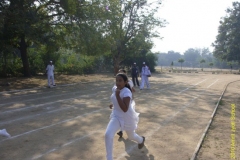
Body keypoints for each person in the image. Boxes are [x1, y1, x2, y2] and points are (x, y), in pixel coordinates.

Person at [105, 73, 145, 160]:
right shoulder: (115, 88)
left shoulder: (127, 92)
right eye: (116, 80)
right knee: (108, 134)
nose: (118, 82)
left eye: (120, 81)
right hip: (116, 116)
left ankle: (141, 140)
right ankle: (109, 158)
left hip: (126, 117)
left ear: (125, 82)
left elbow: (125, 109)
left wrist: (117, 96)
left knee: (131, 136)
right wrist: (113, 104)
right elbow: (116, 101)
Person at [116, 69, 135, 138]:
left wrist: (132, 93)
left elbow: (131, 89)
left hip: (128, 102)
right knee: (121, 118)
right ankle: (121, 131)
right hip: (121, 104)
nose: (120, 73)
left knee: (125, 118)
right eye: (119, 72)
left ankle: (132, 133)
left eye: (122, 72)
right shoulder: (118, 85)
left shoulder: (129, 82)